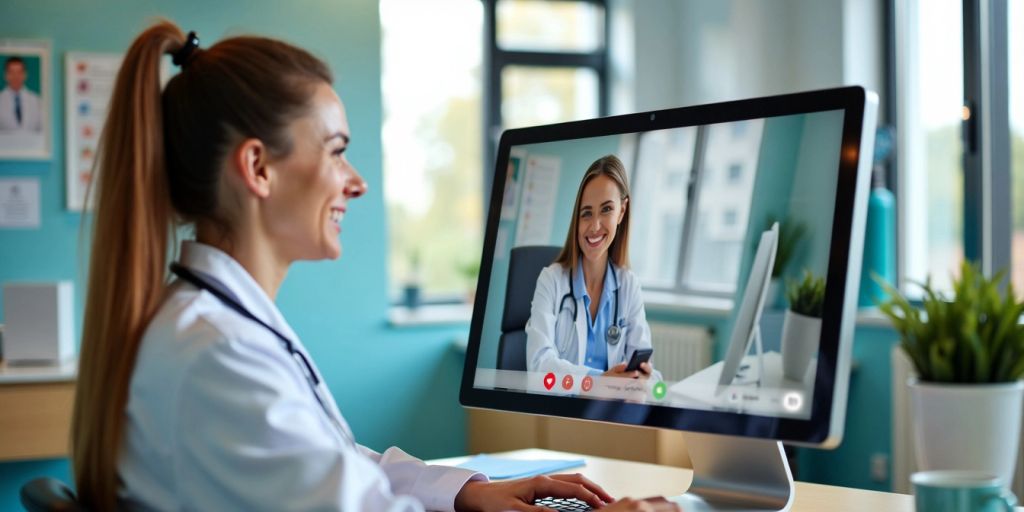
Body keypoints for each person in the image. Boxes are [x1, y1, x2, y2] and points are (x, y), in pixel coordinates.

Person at [70, 21, 677, 512]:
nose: (355, 183)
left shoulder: (217, 331)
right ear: (258, 169)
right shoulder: (218, 359)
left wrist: (468, 493)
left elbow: (334, 462)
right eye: (336, 153)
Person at [526, 155, 659, 380]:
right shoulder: (551, 281)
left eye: (606, 209)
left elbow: (645, 367)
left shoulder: (628, 285)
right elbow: (539, 365)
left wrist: (645, 378)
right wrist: (598, 382)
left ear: (622, 211)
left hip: (609, 413)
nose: (595, 226)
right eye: (586, 213)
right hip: (561, 412)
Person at [0, 56, 43, 132]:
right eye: (12, 72)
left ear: (25, 75)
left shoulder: (36, 100)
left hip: (33, 143)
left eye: (19, 72)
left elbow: (42, 129)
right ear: (6, 75)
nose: (16, 77)